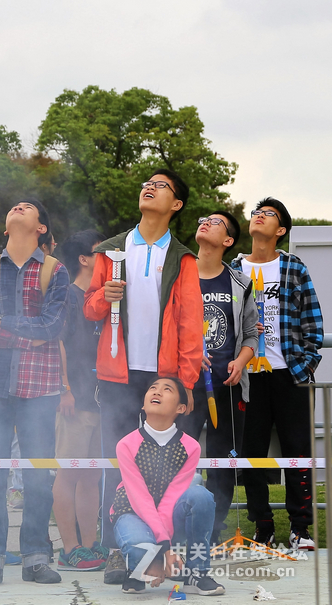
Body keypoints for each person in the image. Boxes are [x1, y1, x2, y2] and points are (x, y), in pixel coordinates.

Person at [84, 169, 203, 583]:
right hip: (117, 375)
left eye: (162, 185)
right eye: (146, 183)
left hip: (163, 377)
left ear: (176, 204)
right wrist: (103, 296)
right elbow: (89, 308)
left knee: (164, 471)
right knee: (116, 467)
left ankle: (165, 553)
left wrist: (185, 382)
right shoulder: (112, 250)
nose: (149, 187)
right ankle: (118, 552)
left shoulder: (184, 257)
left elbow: (192, 323)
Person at [0, 198, 70, 588]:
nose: (19, 207)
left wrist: (4, 323)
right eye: (15, 207)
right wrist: (26, 336)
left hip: (41, 387)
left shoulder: (55, 271)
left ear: (41, 228)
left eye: (28, 207)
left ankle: (37, 557)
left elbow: (53, 328)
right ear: (6, 227)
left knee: (37, 476)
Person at [231, 198, 324, 550]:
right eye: (257, 212)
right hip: (247, 377)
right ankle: (263, 525)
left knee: (297, 451)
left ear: (280, 230)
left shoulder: (293, 267)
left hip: (290, 375)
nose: (259, 217)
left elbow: (313, 323)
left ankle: (301, 528)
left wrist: (304, 364)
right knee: (251, 452)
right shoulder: (233, 269)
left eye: (268, 214)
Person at [179, 211, 258, 546]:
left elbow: (252, 335)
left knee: (222, 463)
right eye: (202, 219)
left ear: (228, 241)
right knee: (178, 458)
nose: (204, 222)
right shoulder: (177, 276)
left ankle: (211, 531)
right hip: (183, 386)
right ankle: (175, 527)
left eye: (216, 222)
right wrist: (189, 354)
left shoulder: (240, 281)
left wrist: (241, 361)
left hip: (226, 388)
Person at [111, 377, 225, 596]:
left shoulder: (190, 446)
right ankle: (137, 568)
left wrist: (163, 550)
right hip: (132, 512)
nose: (157, 392)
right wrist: (159, 552)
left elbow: (172, 499)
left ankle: (197, 573)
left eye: (167, 389)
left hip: (171, 517)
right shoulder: (126, 444)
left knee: (200, 496)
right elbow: (140, 499)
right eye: (152, 388)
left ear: (181, 408)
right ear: (143, 405)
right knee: (139, 548)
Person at [52, 230, 107, 572]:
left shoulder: (107, 294)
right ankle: (69, 547)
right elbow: (57, 343)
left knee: (92, 476)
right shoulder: (68, 296)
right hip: (76, 397)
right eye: (101, 251)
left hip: (105, 399)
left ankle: (89, 544)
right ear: (84, 259)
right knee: (68, 473)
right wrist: (64, 388)